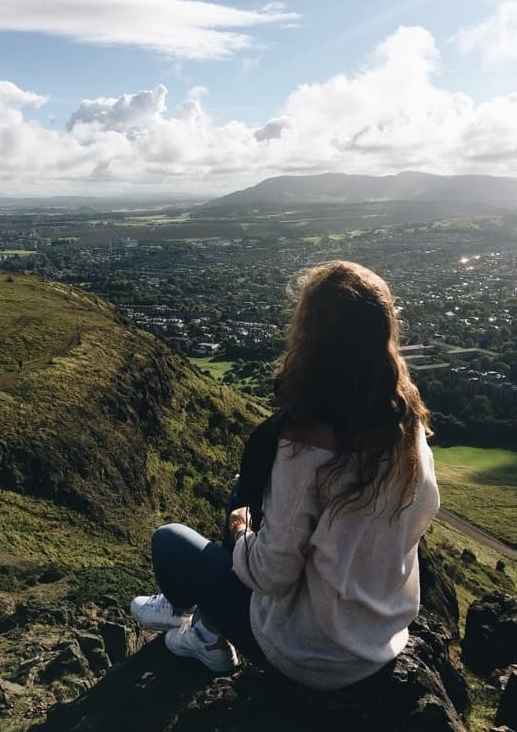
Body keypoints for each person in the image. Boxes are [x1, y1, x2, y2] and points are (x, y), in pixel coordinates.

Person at [130, 261, 440, 689]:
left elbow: (272, 575)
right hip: (379, 636)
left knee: (169, 540)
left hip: (307, 652)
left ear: (311, 338)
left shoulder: (309, 442)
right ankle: (207, 625)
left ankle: (202, 629)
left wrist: (241, 534)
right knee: (245, 486)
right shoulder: (405, 424)